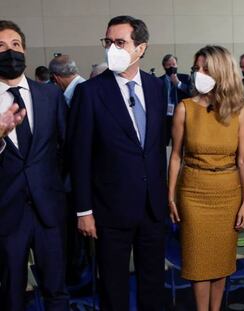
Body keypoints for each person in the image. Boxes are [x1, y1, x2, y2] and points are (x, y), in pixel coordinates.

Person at [68, 16, 167, 310]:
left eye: (120, 42)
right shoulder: (90, 92)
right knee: (113, 286)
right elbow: (79, 155)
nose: (112, 48)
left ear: (141, 48)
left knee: (153, 282)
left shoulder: (155, 87)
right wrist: (83, 210)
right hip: (109, 209)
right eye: (108, 42)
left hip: (152, 207)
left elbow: (154, 147)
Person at [168, 45, 244, 311]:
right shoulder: (185, 108)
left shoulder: (240, 111)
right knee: (197, 260)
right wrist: (170, 196)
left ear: (221, 72)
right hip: (193, 193)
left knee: (222, 260)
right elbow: (176, 157)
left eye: (205, 68)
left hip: (228, 193)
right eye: (197, 69)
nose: (198, 74)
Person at [0, 20, 69, 311]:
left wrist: (60, 192)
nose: (10, 52)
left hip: (49, 212)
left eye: (15, 45)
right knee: (12, 294)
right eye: (1, 47)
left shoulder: (50, 95)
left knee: (57, 290)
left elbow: (66, 149)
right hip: (6, 213)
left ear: (25, 50)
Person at [158, 54, 191, 145]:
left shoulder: (185, 78)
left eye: (174, 64)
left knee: (180, 143)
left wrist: (178, 83)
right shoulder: (158, 81)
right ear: (164, 66)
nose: (172, 67)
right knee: (163, 143)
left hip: (180, 116)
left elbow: (191, 93)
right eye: (169, 65)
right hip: (165, 117)